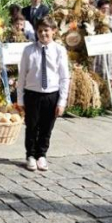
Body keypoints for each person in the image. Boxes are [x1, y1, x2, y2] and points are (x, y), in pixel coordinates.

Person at [17, 16, 70, 172]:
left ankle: (42, 154)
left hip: (51, 95)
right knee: (32, 126)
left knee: (47, 127)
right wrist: (20, 99)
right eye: (40, 31)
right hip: (32, 94)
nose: (43, 34)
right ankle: (30, 155)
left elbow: (64, 77)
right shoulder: (28, 50)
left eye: (46, 30)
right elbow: (22, 76)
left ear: (53, 31)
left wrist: (62, 102)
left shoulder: (59, 50)